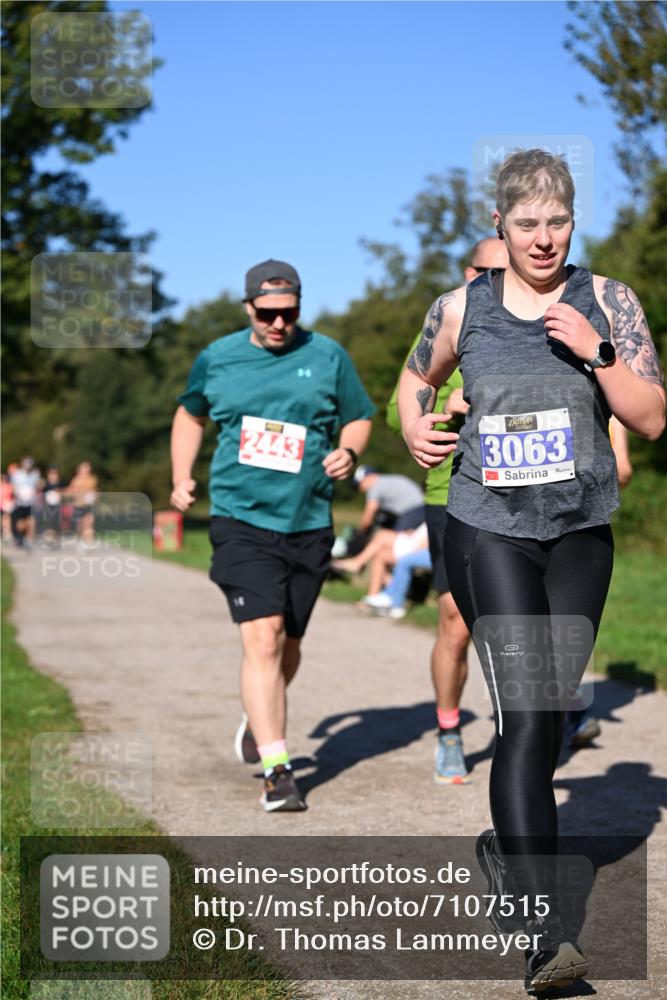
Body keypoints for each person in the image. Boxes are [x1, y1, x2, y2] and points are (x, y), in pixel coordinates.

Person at [398, 150, 665, 991]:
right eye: (525, 225)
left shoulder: (609, 301)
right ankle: (545, 935)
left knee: (548, 719)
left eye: (556, 222)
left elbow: (651, 418)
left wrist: (597, 352)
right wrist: (416, 433)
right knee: (525, 714)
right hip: (489, 529)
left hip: (581, 530)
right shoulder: (460, 307)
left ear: (571, 220)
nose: (543, 239)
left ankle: (502, 852)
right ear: (500, 226)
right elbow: (412, 384)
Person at [170, 260, 374, 813]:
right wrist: (181, 475)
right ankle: (277, 768)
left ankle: (258, 715)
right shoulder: (218, 358)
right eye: (267, 314)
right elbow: (189, 415)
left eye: (289, 313)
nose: (279, 324)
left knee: (288, 644)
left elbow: (358, 416)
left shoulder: (327, 355)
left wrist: (348, 451)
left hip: (307, 521)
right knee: (262, 637)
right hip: (240, 517)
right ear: (248, 308)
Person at [387, 237, 510, 784]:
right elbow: (399, 416)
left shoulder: (542, 319)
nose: (498, 283)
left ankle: (548, 723)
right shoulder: (448, 322)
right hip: (452, 495)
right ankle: (449, 730)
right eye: (487, 272)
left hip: (528, 495)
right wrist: (445, 408)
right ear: (467, 272)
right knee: (457, 624)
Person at [10, 456, 41, 549]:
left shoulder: (35, 474)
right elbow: (13, 487)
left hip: (31, 503)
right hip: (20, 503)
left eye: (30, 463)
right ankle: (20, 538)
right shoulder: (17, 474)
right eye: (26, 463)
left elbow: (38, 486)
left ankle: (28, 540)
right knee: (20, 524)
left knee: (31, 522)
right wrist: (18, 494)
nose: (28, 465)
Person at [66, 461, 98, 547]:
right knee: (80, 525)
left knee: (89, 523)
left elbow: (95, 491)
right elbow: (70, 492)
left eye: (87, 468)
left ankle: (89, 543)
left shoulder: (92, 479)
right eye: (84, 468)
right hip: (78, 505)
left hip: (89, 505)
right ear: (80, 469)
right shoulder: (76, 480)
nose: (86, 470)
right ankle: (80, 539)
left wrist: (94, 496)